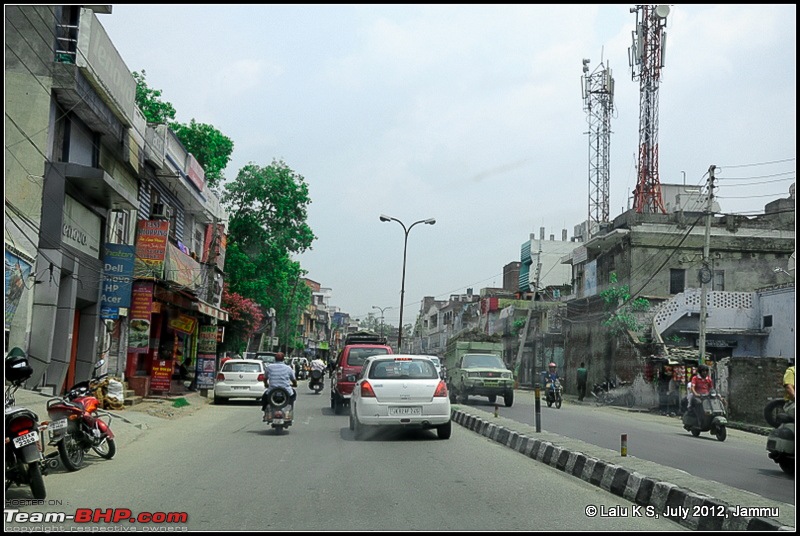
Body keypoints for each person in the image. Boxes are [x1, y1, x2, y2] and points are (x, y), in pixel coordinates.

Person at [262, 352, 297, 418]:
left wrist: (266, 384)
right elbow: (293, 380)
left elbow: (265, 378)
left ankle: (266, 413)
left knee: (264, 398)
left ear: (275, 359)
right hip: (287, 392)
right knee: (293, 395)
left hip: (272, 392)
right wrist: (294, 384)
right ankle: (289, 411)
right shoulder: (288, 368)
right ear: (283, 359)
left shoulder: (269, 367)